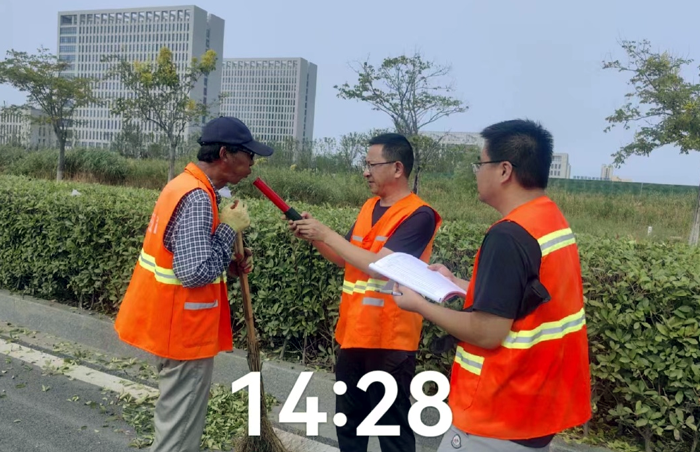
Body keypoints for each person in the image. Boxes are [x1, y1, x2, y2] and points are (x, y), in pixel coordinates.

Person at [392, 119, 591, 452]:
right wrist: (456, 282)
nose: (477, 172)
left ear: (504, 170)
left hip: (497, 414)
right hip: (535, 407)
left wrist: (419, 305)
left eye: (480, 163)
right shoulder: (549, 219)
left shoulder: (507, 236)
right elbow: (526, 298)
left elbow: (487, 332)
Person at [114, 116, 274, 452]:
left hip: (171, 327)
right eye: (249, 155)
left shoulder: (183, 186)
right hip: (184, 334)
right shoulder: (198, 197)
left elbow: (186, 259)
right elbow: (194, 273)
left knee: (174, 426)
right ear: (225, 154)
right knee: (178, 438)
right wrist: (229, 228)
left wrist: (228, 265)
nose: (252, 164)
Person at [288, 133, 442, 452]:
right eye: (365, 164)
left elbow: (381, 267)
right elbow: (344, 257)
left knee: (392, 432)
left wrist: (326, 233)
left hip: (390, 342)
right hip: (353, 335)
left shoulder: (419, 215)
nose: (365, 172)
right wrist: (315, 236)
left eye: (372, 165)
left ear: (397, 168)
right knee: (349, 427)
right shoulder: (369, 207)